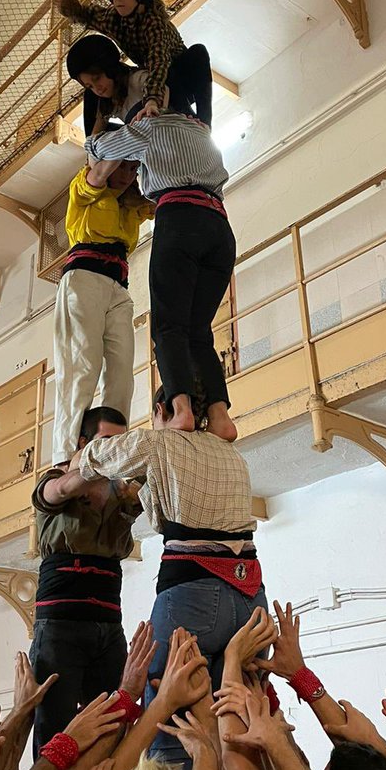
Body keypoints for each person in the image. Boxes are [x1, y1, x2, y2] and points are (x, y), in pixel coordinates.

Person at [67, 385, 265, 770]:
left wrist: (78, 455)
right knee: (243, 711)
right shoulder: (233, 455)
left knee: (170, 720)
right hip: (250, 594)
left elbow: (96, 458)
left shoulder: (161, 444)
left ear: (162, 410)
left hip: (193, 593)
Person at [84, 101, 237, 441]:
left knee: (169, 327)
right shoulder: (202, 132)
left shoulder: (149, 128)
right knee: (199, 332)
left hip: (180, 220)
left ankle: (181, 410)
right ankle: (220, 416)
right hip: (221, 229)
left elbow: (97, 147)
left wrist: (127, 127)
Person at [31, 406, 142, 752]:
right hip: (61, 622)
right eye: (106, 441)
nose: (114, 450)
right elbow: (60, 491)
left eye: (118, 443)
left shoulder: (121, 491)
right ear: (84, 443)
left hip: (108, 621)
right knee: (54, 727)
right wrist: (91, 466)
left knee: (111, 724)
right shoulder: (56, 479)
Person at [52, 146, 152, 465]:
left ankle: (114, 446)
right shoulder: (86, 190)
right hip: (84, 279)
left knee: (123, 371)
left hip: (118, 287)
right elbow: (98, 173)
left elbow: (164, 196)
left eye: (133, 169)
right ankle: (66, 454)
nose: (127, 175)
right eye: (122, 167)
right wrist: (124, 140)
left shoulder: (134, 205)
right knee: (82, 365)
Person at [55, 0, 212, 127]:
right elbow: (89, 16)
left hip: (180, 80)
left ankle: (201, 121)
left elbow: (158, 61)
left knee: (198, 52)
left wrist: (152, 99)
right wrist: (70, 6)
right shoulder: (114, 20)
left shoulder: (154, 22)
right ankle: (95, 143)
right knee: (91, 94)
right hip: (151, 78)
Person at [65, 35, 177, 137]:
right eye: (90, 86)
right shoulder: (108, 102)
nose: (97, 89)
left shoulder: (137, 79)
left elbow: (162, 91)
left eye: (97, 78)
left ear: (110, 68)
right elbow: (95, 133)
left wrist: (157, 110)